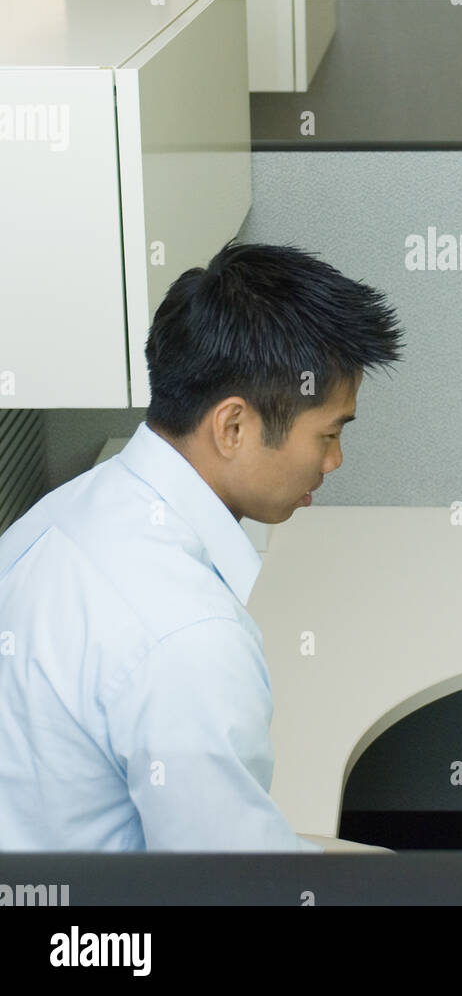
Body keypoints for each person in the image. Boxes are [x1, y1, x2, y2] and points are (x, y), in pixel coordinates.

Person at [0, 240, 403, 851]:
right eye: (327, 433)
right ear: (233, 426)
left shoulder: (59, 515)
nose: (335, 460)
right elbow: (233, 892)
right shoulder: (187, 638)